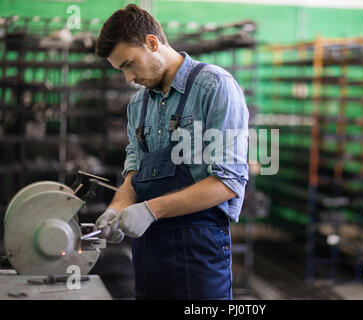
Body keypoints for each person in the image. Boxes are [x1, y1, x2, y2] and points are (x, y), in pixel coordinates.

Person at [94, 4, 249, 300]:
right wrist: (117, 208)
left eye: (129, 64)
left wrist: (152, 210)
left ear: (152, 43)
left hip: (199, 251)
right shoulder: (138, 105)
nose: (128, 78)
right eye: (120, 70)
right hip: (148, 251)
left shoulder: (214, 87)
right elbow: (134, 173)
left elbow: (228, 181)